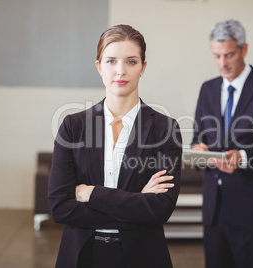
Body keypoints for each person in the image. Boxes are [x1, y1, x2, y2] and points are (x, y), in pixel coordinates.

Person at [48, 24, 182, 268]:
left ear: (143, 67)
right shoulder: (73, 126)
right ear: (99, 66)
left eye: (131, 61)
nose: (120, 71)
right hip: (81, 256)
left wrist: (92, 194)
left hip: (143, 257)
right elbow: (60, 207)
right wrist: (137, 202)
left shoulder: (165, 129)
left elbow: (161, 209)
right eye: (111, 61)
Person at [191, 19, 253, 268]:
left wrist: (243, 158)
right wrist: (197, 150)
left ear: (244, 49)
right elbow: (198, 138)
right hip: (214, 209)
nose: (222, 63)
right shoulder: (207, 89)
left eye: (229, 55)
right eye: (216, 56)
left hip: (251, 209)